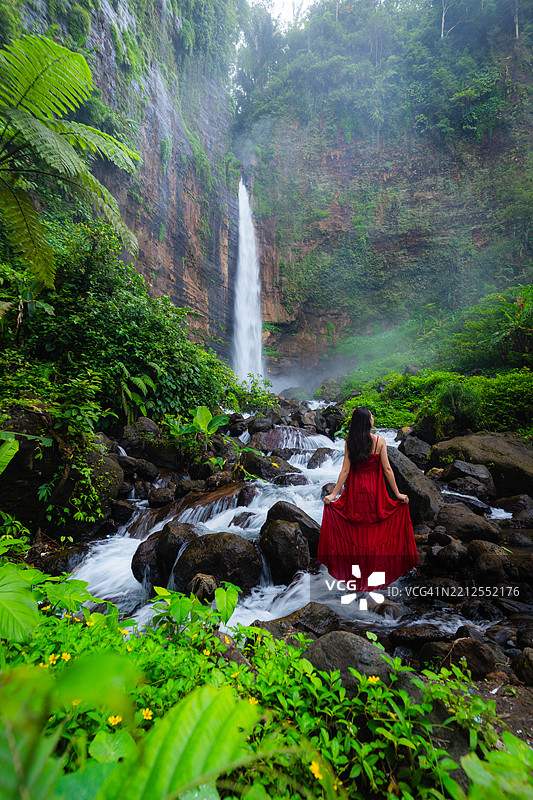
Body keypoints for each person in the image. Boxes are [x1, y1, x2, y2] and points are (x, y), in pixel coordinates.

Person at [318, 407, 418, 590]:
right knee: (374, 531)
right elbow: (387, 470)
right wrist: (397, 494)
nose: (373, 418)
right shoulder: (380, 441)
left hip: (356, 493)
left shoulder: (350, 442)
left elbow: (345, 470)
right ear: (367, 422)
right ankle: (373, 576)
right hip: (375, 492)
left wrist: (334, 495)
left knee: (356, 532)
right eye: (371, 416)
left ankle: (357, 576)